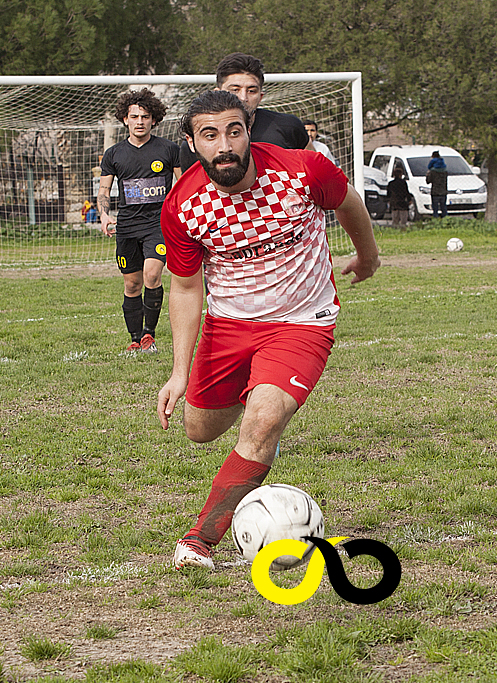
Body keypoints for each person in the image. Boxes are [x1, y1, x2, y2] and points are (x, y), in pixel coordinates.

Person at [156, 91, 380, 570]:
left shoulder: (303, 170)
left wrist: (368, 256)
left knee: (260, 424)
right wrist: (178, 371)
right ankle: (259, 406)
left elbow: (349, 204)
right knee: (199, 430)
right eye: (209, 135)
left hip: (302, 321)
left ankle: (200, 539)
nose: (225, 146)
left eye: (234, 131)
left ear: (249, 130)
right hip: (229, 324)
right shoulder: (182, 206)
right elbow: (186, 289)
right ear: (192, 143)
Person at [98, 88, 180, 353]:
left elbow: (181, 185)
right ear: (125, 119)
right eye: (134, 116)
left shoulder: (169, 149)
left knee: (152, 275)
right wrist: (104, 213)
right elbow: (103, 190)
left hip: (158, 224)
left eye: (145, 116)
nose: (140, 121)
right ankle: (134, 339)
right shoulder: (114, 154)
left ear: (154, 119)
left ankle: (149, 336)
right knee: (131, 283)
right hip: (127, 226)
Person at [175, 53, 312, 180]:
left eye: (251, 91)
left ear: (260, 96)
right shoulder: (196, 142)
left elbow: (315, 172)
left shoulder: (288, 126)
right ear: (218, 92)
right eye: (235, 90)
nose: (243, 97)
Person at [426, 151, 449, 218]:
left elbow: (428, 181)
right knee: (443, 207)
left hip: (435, 192)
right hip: (443, 191)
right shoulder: (445, 171)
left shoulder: (433, 171)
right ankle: (446, 219)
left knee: (435, 208)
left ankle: (435, 219)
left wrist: (428, 175)